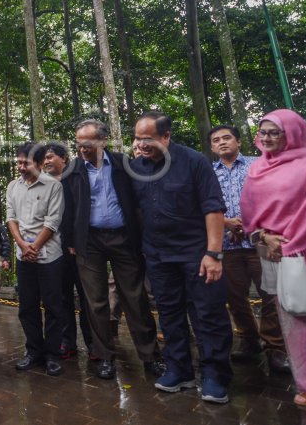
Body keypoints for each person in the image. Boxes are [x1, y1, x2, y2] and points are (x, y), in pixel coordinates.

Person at [130, 111, 233, 404]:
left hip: (196, 254)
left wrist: (214, 253)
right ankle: (179, 370)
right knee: (169, 314)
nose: (142, 144)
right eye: (138, 138)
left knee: (208, 315)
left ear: (166, 136)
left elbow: (213, 208)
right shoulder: (137, 168)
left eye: (148, 138)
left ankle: (215, 375)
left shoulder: (193, 162)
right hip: (158, 256)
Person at [241, 109, 306, 407]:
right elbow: (250, 212)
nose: (266, 138)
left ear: (292, 133)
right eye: (263, 132)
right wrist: (264, 237)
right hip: (277, 256)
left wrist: (292, 241)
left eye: (274, 132)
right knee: (296, 323)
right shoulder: (257, 169)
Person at [61, 119, 164, 379]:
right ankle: (105, 357)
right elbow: (67, 209)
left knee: (135, 297)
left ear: (103, 141)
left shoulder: (123, 164)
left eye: (88, 143)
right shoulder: (72, 171)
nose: (83, 148)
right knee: (96, 302)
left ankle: (150, 356)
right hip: (89, 242)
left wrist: (143, 238)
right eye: (79, 144)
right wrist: (70, 241)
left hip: (123, 238)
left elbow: (139, 201)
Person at [209, 125, 289, 374]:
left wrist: (252, 224)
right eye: (216, 140)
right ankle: (249, 339)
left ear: (239, 142)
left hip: (261, 242)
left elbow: (276, 196)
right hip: (228, 244)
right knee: (235, 297)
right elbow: (203, 206)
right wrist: (226, 222)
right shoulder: (209, 173)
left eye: (226, 138)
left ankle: (275, 347)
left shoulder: (259, 165)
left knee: (270, 295)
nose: (222, 143)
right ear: (212, 147)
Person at [6, 142, 66, 376]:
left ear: (40, 164)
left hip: (49, 255)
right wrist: (22, 245)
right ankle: (33, 352)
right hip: (24, 256)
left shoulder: (54, 186)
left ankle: (52, 354)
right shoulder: (13, 186)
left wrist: (36, 246)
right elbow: (11, 217)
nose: (21, 166)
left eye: (26, 163)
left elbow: (53, 221)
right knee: (27, 306)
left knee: (53, 306)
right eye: (19, 162)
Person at [45, 142, 94, 360]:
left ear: (64, 158)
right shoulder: (44, 184)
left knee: (87, 297)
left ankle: (93, 342)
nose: (46, 161)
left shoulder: (76, 178)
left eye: (50, 157)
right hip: (56, 250)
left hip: (81, 248)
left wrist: (76, 242)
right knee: (62, 297)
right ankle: (67, 341)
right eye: (44, 158)